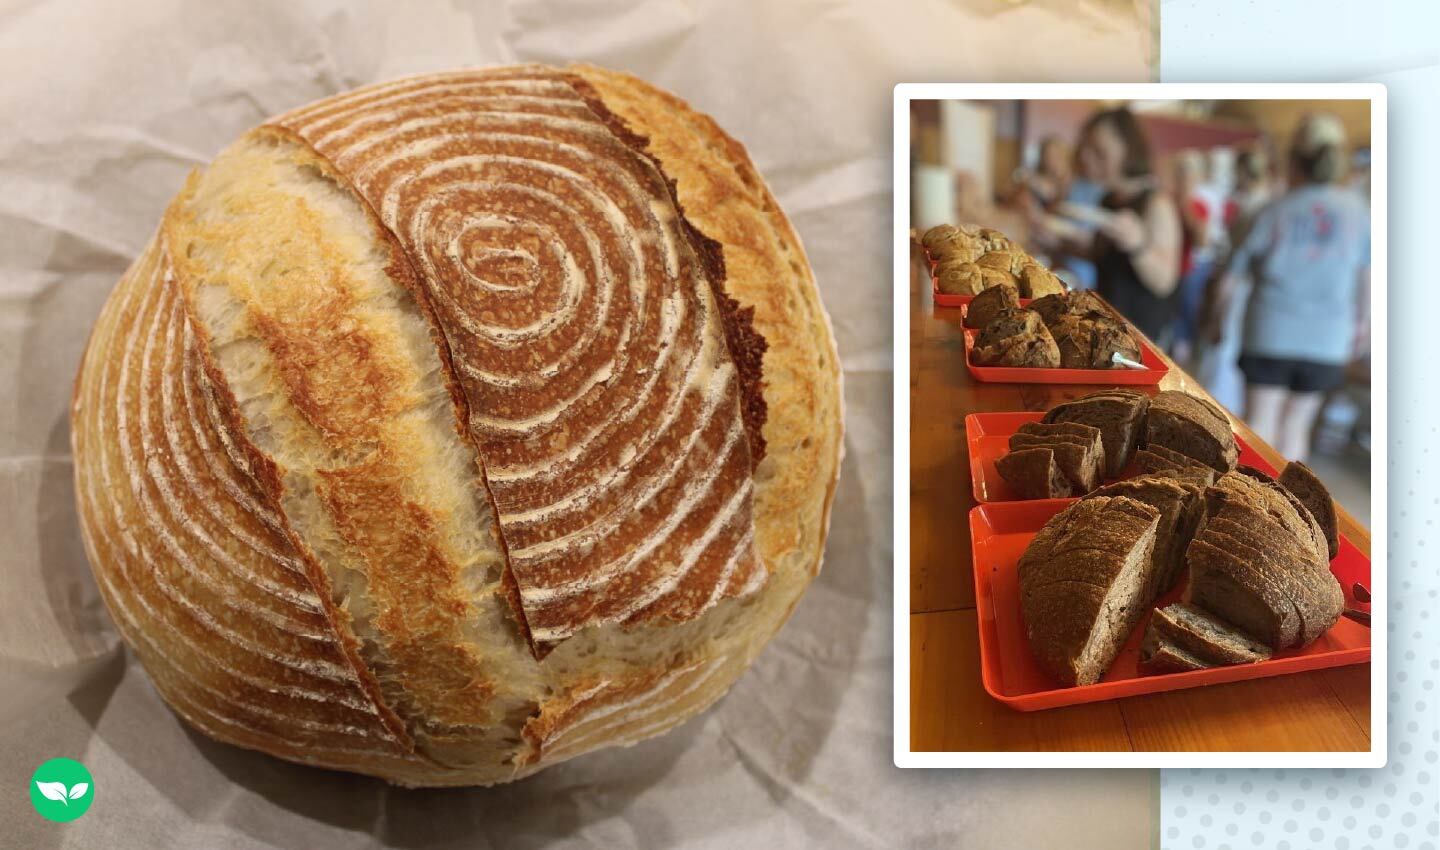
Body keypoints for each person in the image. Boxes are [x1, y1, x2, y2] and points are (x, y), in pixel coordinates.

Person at [1205, 113, 1370, 463]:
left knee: (1260, 426)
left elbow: (1231, 277)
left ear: (1293, 159)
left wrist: (1217, 321)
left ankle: (1251, 506)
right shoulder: (1358, 212)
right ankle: (1287, 510)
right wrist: (1362, 327)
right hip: (1328, 340)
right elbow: (1365, 277)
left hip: (1271, 333)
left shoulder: (1271, 210)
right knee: (1297, 427)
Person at [1032, 107, 1182, 341]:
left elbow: (1164, 281)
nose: (1086, 158)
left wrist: (1137, 244)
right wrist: (1056, 243)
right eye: (1086, 148)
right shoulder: (1110, 199)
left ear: (1128, 150)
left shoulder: (1156, 203)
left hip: (1144, 337)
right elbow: (1102, 255)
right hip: (1109, 329)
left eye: (1099, 151)